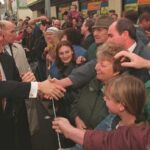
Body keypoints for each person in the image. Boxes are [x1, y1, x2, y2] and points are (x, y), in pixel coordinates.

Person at [52, 75, 149, 150]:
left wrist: (69, 131)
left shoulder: (136, 138)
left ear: (121, 106)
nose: (104, 99)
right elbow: (95, 139)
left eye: (108, 98)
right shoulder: (112, 118)